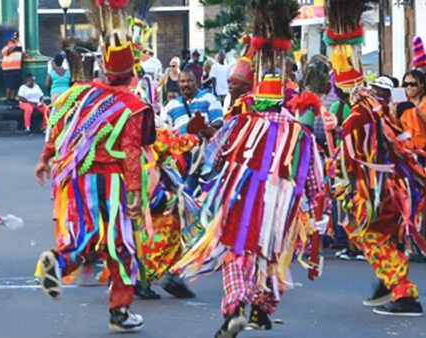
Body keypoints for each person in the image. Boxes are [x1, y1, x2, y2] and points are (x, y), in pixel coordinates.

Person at [171, 3, 326, 336]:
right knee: (272, 257)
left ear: (255, 94)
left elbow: (216, 158)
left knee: (237, 254)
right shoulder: (299, 130)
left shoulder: (241, 123)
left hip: (243, 200)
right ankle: (260, 308)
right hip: (283, 208)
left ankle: (237, 306)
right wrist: (316, 213)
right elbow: (314, 178)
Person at [34, 0, 155, 330]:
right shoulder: (133, 106)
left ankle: (57, 262)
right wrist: (133, 194)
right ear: (132, 71)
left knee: (85, 237)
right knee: (122, 246)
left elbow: (58, 126)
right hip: (113, 181)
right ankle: (119, 311)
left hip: (77, 177)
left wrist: (45, 158)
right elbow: (131, 152)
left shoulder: (82, 94)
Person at [326, 0, 424, 317]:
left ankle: (403, 294)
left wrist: (336, 174)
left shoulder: (356, 117)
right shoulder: (374, 108)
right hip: (391, 188)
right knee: (384, 240)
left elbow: (353, 159)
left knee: (373, 238)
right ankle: (387, 284)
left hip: (376, 192)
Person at [163, 69, 223, 137]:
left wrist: (203, 128)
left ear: (197, 82)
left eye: (190, 81)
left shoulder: (209, 99)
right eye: (182, 81)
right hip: (180, 145)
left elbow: (218, 123)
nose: (186, 84)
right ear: (178, 84)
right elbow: (165, 131)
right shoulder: (171, 106)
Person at [398, 70, 426, 150]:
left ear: (422, 85)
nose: (409, 87)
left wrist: (417, 111)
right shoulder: (401, 103)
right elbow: (395, 127)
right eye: (405, 84)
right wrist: (394, 113)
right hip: (407, 149)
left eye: (413, 84)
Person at [1, 32, 24, 108]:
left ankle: (12, 98)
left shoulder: (19, 43)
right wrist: (13, 45)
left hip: (17, 67)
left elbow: (21, 52)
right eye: (14, 36)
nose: (15, 37)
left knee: (15, 85)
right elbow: (5, 53)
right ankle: (8, 99)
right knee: (9, 85)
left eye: (16, 36)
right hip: (8, 67)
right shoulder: (7, 44)